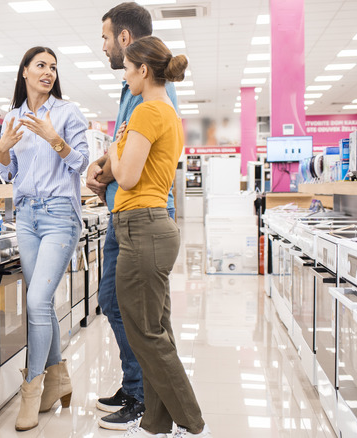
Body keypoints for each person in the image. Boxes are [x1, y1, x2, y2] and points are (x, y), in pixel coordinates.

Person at [108, 36, 210, 438]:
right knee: (154, 330)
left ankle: (190, 423)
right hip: (152, 226)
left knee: (145, 334)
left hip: (141, 227)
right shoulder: (168, 112)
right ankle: (155, 424)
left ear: (143, 69)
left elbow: (128, 176)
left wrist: (112, 152)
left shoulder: (149, 111)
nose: (126, 76)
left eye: (128, 69)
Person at [85, 2, 179, 431]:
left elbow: (129, 167)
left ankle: (148, 399)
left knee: (140, 316)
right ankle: (138, 389)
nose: (104, 47)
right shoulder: (136, 92)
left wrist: (107, 168)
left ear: (126, 41)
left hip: (142, 216)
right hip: (130, 213)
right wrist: (102, 165)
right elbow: (121, 150)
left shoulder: (150, 98)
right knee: (123, 305)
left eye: (106, 37)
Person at [0, 46, 89, 431]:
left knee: (35, 300)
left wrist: (55, 139)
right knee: (42, 303)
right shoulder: (12, 118)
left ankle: (31, 391)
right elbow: (9, 173)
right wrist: (1, 152)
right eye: (41, 66)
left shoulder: (67, 114)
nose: (48, 72)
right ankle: (60, 379)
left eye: (52, 67)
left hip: (60, 216)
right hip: (27, 217)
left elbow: (81, 162)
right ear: (24, 72)